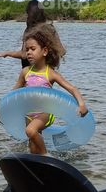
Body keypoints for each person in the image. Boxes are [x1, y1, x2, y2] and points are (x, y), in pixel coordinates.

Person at [13, 25, 87, 155]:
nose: (29, 52)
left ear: (44, 51)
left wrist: (81, 104)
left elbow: (72, 88)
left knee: (30, 131)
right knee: (32, 143)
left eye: (33, 49)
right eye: (27, 49)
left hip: (44, 113)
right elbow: (14, 92)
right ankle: (37, 162)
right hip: (29, 113)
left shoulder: (50, 73)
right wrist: (4, 108)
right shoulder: (25, 72)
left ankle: (45, 156)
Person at [0, 0, 65, 67]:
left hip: (30, 73)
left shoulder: (29, 30)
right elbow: (62, 51)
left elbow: (24, 55)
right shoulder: (50, 28)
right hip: (47, 72)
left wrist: (8, 53)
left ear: (29, 14)